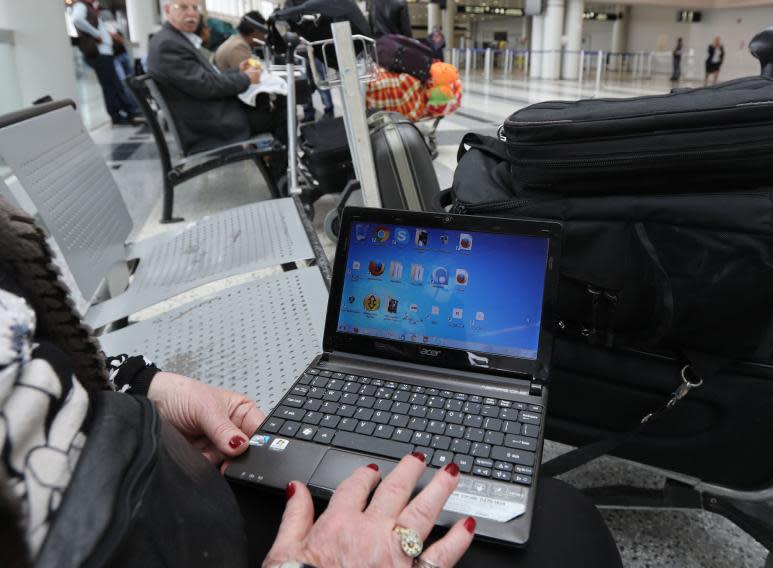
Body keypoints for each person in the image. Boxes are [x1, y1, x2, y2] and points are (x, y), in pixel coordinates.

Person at [0, 197, 624, 568]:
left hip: (150, 479)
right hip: (157, 535)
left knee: (555, 522)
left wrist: (145, 386)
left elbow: (41, 357)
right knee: (569, 534)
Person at [147, 0, 285, 156]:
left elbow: (205, 78)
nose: (191, 13)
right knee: (280, 115)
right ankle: (280, 175)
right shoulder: (168, 45)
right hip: (208, 127)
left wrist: (238, 71)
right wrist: (247, 79)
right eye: (183, 7)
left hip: (208, 116)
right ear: (167, 10)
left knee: (268, 105)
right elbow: (206, 85)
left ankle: (275, 169)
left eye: (195, 8)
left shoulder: (175, 40)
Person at [71, 0, 143, 126]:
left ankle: (128, 112)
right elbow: (77, 19)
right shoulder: (80, 6)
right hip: (99, 53)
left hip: (104, 52)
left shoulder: (91, 8)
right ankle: (117, 115)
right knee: (110, 86)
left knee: (114, 84)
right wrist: (95, 33)